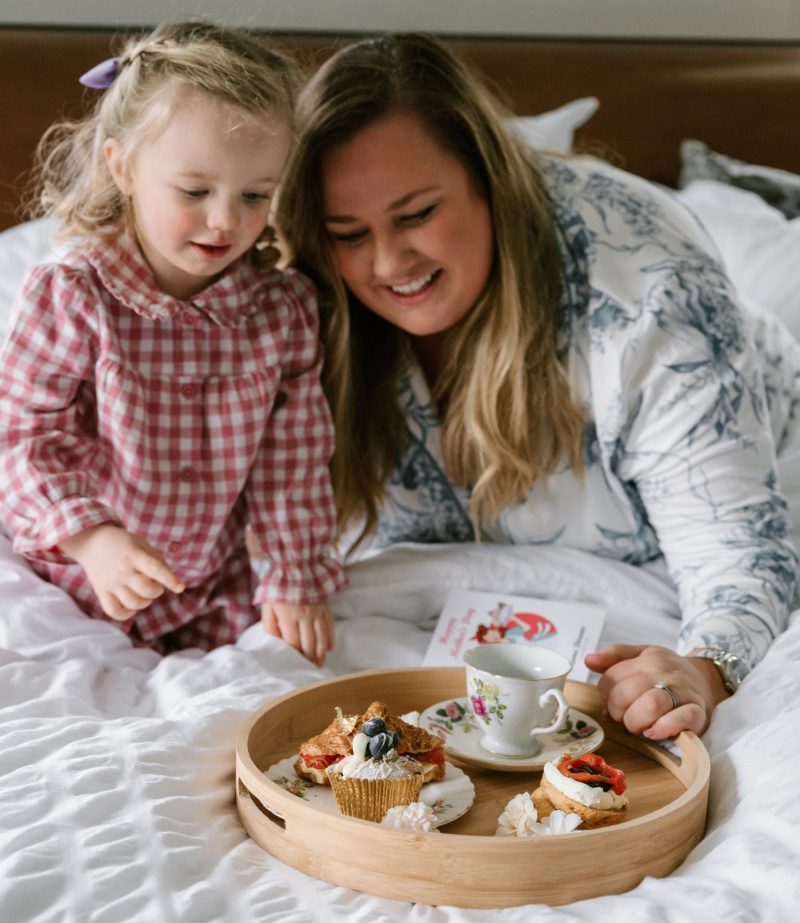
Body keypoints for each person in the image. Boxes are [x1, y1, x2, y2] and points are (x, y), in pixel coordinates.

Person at [275, 32, 800, 736]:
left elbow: (737, 544)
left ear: (491, 180)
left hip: (745, 470)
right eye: (348, 232)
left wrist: (699, 669)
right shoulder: (296, 302)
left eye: (417, 214)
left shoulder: (649, 288)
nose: (388, 261)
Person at [0, 21, 346, 664]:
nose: (226, 220)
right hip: (82, 578)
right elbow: (21, 437)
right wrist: (91, 539)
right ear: (123, 166)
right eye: (195, 191)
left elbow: (290, 464)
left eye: (255, 195)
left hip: (215, 584)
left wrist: (294, 574)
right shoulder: (72, 293)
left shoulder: (282, 311)